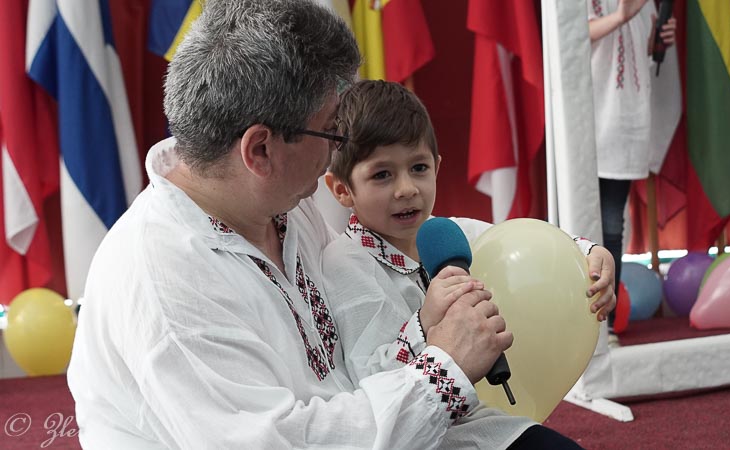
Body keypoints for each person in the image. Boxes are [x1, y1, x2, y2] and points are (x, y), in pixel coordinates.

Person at [67, 1, 513, 448]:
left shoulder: (276, 201)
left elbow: (348, 366)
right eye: (332, 132)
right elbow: (277, 442)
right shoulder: (165, 279)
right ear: (260, 150)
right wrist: (443, 372)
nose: (335, 152)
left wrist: (427, 329)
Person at [321, 80, 617, 448]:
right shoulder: (346, 264)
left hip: (479, 422)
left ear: (437, 167)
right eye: (382, 174)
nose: (407, 189)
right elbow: (369, 383)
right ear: (342, 189)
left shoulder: (447, 234)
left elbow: (523, 245)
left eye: (418, 168)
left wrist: (589, 254)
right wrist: (424, 323)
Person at [587, 0, 676, 341]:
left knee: (612, 226)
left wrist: (659, 38)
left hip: (622, 121)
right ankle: (577, 324)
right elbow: (571, 38)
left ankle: (604, 323)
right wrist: (620, 17)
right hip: (588, 117)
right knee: (578, 226)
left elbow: (643, 47)